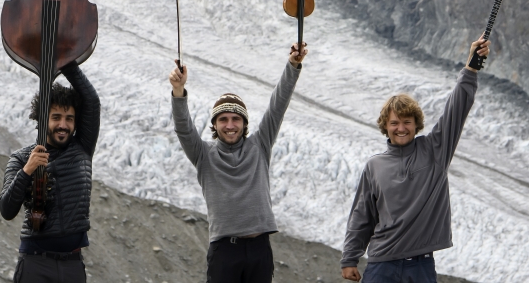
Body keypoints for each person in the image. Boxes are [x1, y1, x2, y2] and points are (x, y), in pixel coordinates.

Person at [340, 36, 490, 283]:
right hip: (381, 265)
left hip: (420, 267)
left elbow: (457, 109)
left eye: (407, 122)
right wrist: (349, 258)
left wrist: (471, 67)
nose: (401, 128)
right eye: (394, 123)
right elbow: (362, 215)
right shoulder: (375, 166)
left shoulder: (435, 151)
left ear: (416, 124)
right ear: (385, 126)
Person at [169, 41, 307, 283]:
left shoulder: (260, 145)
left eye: (236, 119)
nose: (230, 125)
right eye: (223, 119)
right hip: (224, 251)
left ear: (244, 123)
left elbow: (278, 105)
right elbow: (183, 128)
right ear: (215, 124)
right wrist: (178, 91)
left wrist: (293, 66)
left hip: (259, 249)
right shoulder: (204, 155)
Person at [0, 61, 100, 282]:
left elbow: (91, 101)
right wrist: (27, 170)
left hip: (73, 264)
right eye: (56, 117)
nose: (63, 125)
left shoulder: (82, 146)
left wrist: (66, 61)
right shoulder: (21, 158)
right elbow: (6, 210)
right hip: (35, 263)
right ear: (42, 119)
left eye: (69, 118)